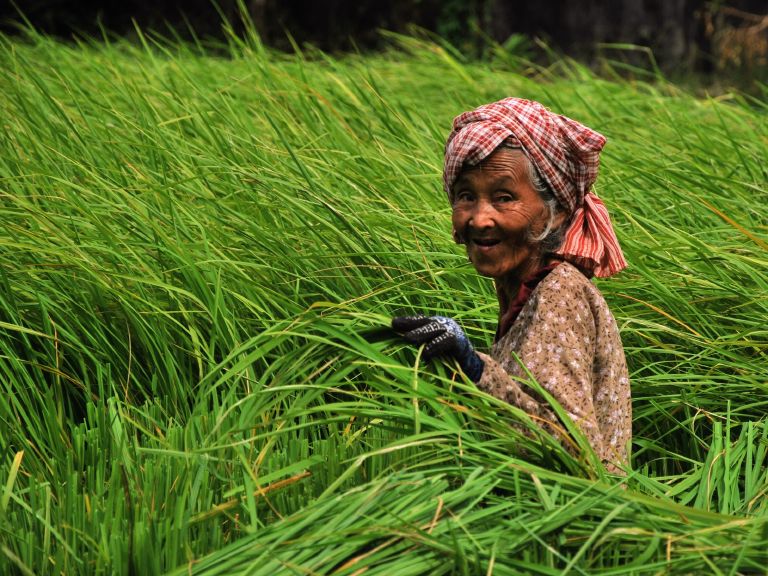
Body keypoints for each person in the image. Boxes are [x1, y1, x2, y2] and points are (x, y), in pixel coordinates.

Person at [392, 98, 631, 472]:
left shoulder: (558, 293)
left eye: (504, 198)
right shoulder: (526, 289)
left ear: (556, 212)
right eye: (466, 196)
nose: (480, 218)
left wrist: (473, 367)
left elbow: (572, 451)